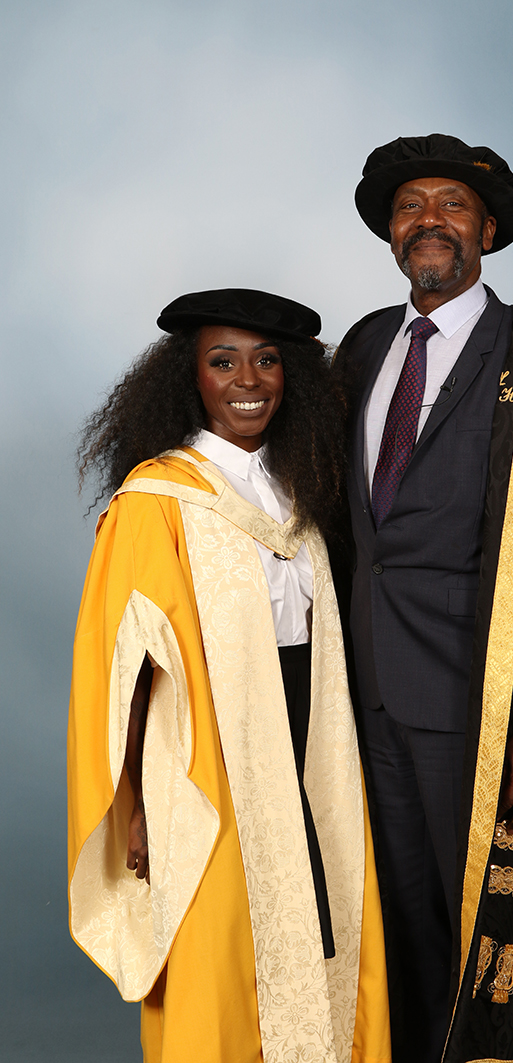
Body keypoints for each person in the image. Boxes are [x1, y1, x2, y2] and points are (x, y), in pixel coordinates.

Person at [337, 135, 513, 1063]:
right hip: (363, 696)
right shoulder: (363, 347)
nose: (428, 220)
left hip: (481, 701)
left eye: (451, 204)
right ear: (390, 232)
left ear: (488, 231)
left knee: (478, 934)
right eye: (409, 205)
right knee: (396, 927)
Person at [68, 289, 391, 1063]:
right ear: (191, 378)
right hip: (205, 752)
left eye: (266, 360)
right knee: (223, 946)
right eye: (223, 362)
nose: (248, 379)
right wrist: (136, 803)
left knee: (326, 913)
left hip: (313, 736)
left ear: (290, 376)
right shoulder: (156, 499)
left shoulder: (300, 485)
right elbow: (125, 668)